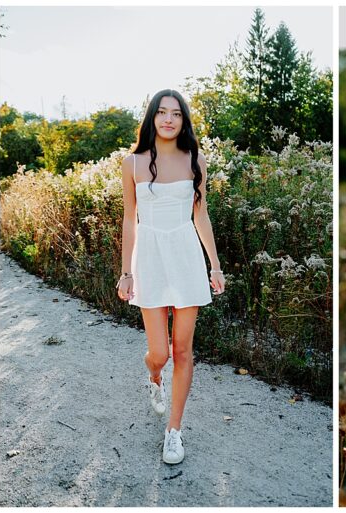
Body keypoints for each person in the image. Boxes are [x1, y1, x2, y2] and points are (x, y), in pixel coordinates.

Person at [117, 89, 226, 465]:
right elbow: (129, 220)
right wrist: (126, 272)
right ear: (151, 118)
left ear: (183, 121)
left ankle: (174, 432)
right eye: (161, 113)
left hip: (184, 257)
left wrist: (214, 264)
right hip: (148, 257)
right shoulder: (132, 163)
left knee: (182, 351)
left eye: (175, 114)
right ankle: (153, 377)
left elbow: (202, 216)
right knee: (159, 353)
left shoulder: (195, 160)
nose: (168, 119)